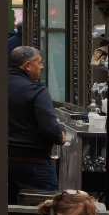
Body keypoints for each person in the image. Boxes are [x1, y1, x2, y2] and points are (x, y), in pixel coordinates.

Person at [8, 46, 67, 198]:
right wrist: (60, 137)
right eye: (39, 62)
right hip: (35, 162)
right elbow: (49, 128)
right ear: (27, 65)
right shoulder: (37, 90)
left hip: (1, 159)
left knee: (6, 212)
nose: (41, 66)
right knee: (47, 211)